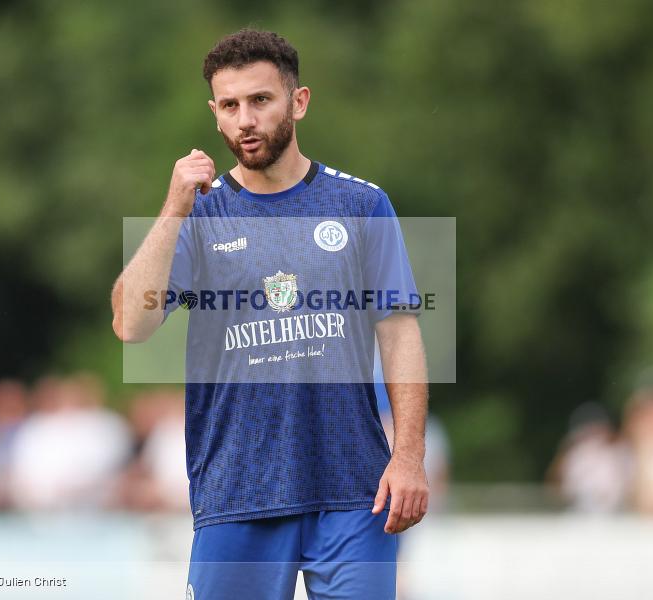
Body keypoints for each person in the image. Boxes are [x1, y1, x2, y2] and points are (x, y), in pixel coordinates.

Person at [112, 29, 429, 600]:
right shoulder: (199, 214)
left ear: (298, 101)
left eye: (260, 100)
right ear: (214, 114)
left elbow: (399, 333)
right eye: (230, 106)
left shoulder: (361, 205)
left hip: (354, 489)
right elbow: (131, 325)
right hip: (238, 490)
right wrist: (173, 209)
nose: (246, 120)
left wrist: (408, 456)